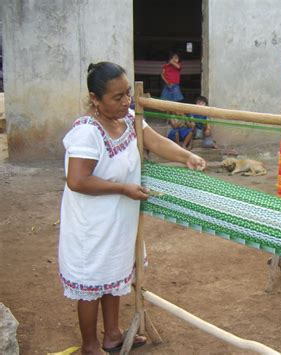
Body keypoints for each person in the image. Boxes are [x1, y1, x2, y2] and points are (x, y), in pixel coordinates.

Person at [59, 62, 205, 355]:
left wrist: (185, 155)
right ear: (95, 99)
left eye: (128, 93)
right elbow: (77, 180)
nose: (126, 101)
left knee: (113, 275)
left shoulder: (128, 118)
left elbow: (154, 141)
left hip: (119, 220)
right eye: (117, 97)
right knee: (91, 284)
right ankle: (89, 346)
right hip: (91, 225)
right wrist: (124, 188)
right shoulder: (87, 132)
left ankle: (112, 335)